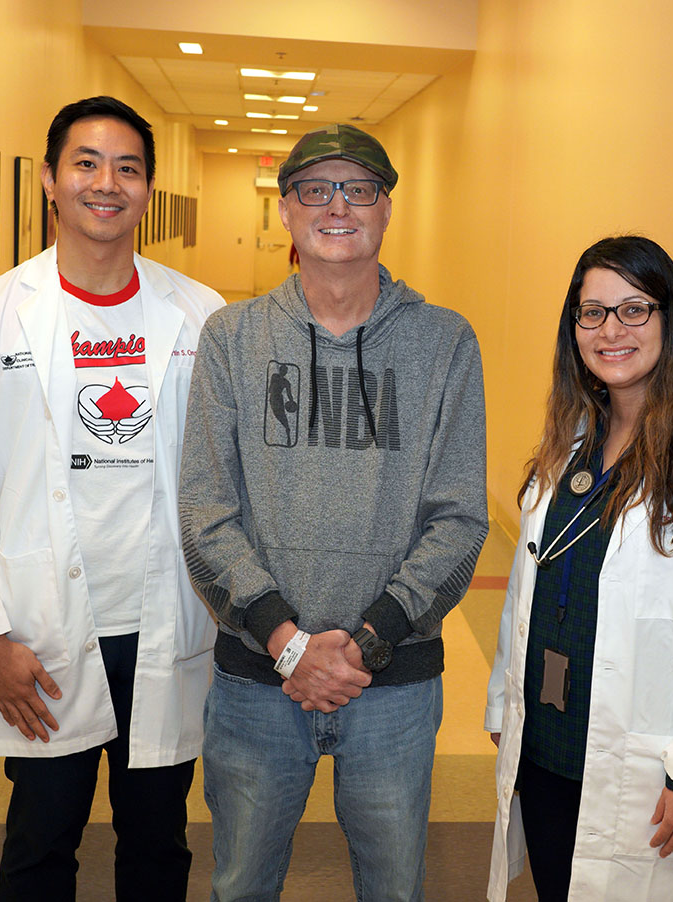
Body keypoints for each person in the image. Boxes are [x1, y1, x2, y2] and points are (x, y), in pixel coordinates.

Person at [0, 96, 224, 900]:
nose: (106, 183)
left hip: (166, 623)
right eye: (86, 163)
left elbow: (231, 477)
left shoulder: (200, 314)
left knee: (159, 840)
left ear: (148, 191)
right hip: (44, 633)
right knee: (39, 842)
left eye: (128, 168)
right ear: (50, 180)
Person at [179, 123, 488, 901]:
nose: (337, 205)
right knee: (241, 885)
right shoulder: (230, 339)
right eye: (316, 189)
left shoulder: (445, 342)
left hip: (393, 686)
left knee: (394, 887)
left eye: (359, 188)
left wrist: (368, 640)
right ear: (284, 209)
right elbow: (206, 512)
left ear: (387, 209)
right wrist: (289, 645)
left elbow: (458, 518)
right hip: (256, 680)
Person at [484, 236, 673, 901]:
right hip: (547, 749)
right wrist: (504, 706)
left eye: (634, 309)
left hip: (651, 777)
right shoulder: (571, 440)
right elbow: (527, 590)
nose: (610, 330)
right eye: (591, 313)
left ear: (670, 320)